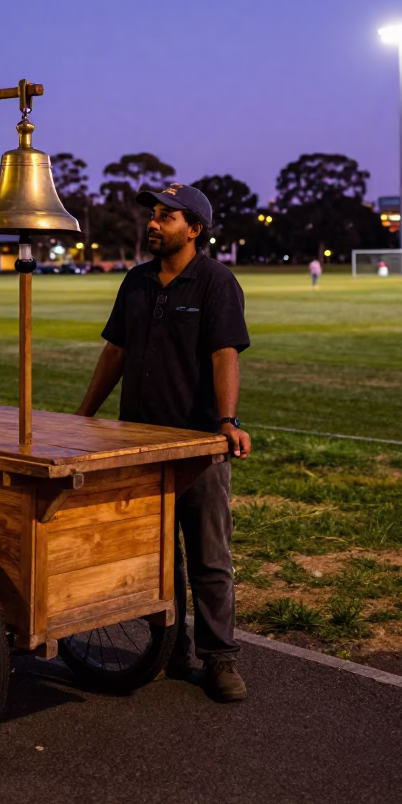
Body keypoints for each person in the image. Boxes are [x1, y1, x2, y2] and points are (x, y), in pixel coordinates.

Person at [76, 182, 251, 703]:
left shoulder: (217, 283)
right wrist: (84, 417)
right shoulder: (135, 282)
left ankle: (219, 659)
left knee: (208, 557)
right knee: (154, 558)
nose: (154, 223)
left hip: (195, 447)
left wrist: (226, 420)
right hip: (138, 448)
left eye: (167, 217)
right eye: (153, 215)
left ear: (194, 229)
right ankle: (168, 649)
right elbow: (115, 354)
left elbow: (225, 354)